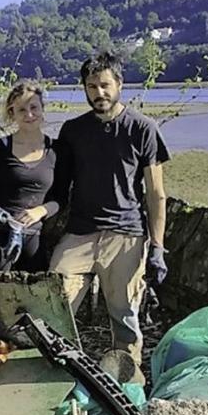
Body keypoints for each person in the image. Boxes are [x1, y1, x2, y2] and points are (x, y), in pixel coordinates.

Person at [47, 51, 170, 367]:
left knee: (124, 317)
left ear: (119, 84)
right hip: (80, 233)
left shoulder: (143, 128)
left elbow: (156, 194)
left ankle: (129, 386)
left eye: (104, 85)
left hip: (126, 234)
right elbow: (60, 188)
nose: (98, 93)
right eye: (91, 86)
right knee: (54, 304)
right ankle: (56, 374)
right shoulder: (73, 131)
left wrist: (157, 247)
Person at [0, 81, 58, 337]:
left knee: (33, 312)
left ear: (43, 109)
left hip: (35, 244)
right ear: (12, 113)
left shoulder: (57, 150)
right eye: (22, 110)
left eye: (34, 107)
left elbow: (61, 198)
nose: (29, 114)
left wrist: (39, 212)